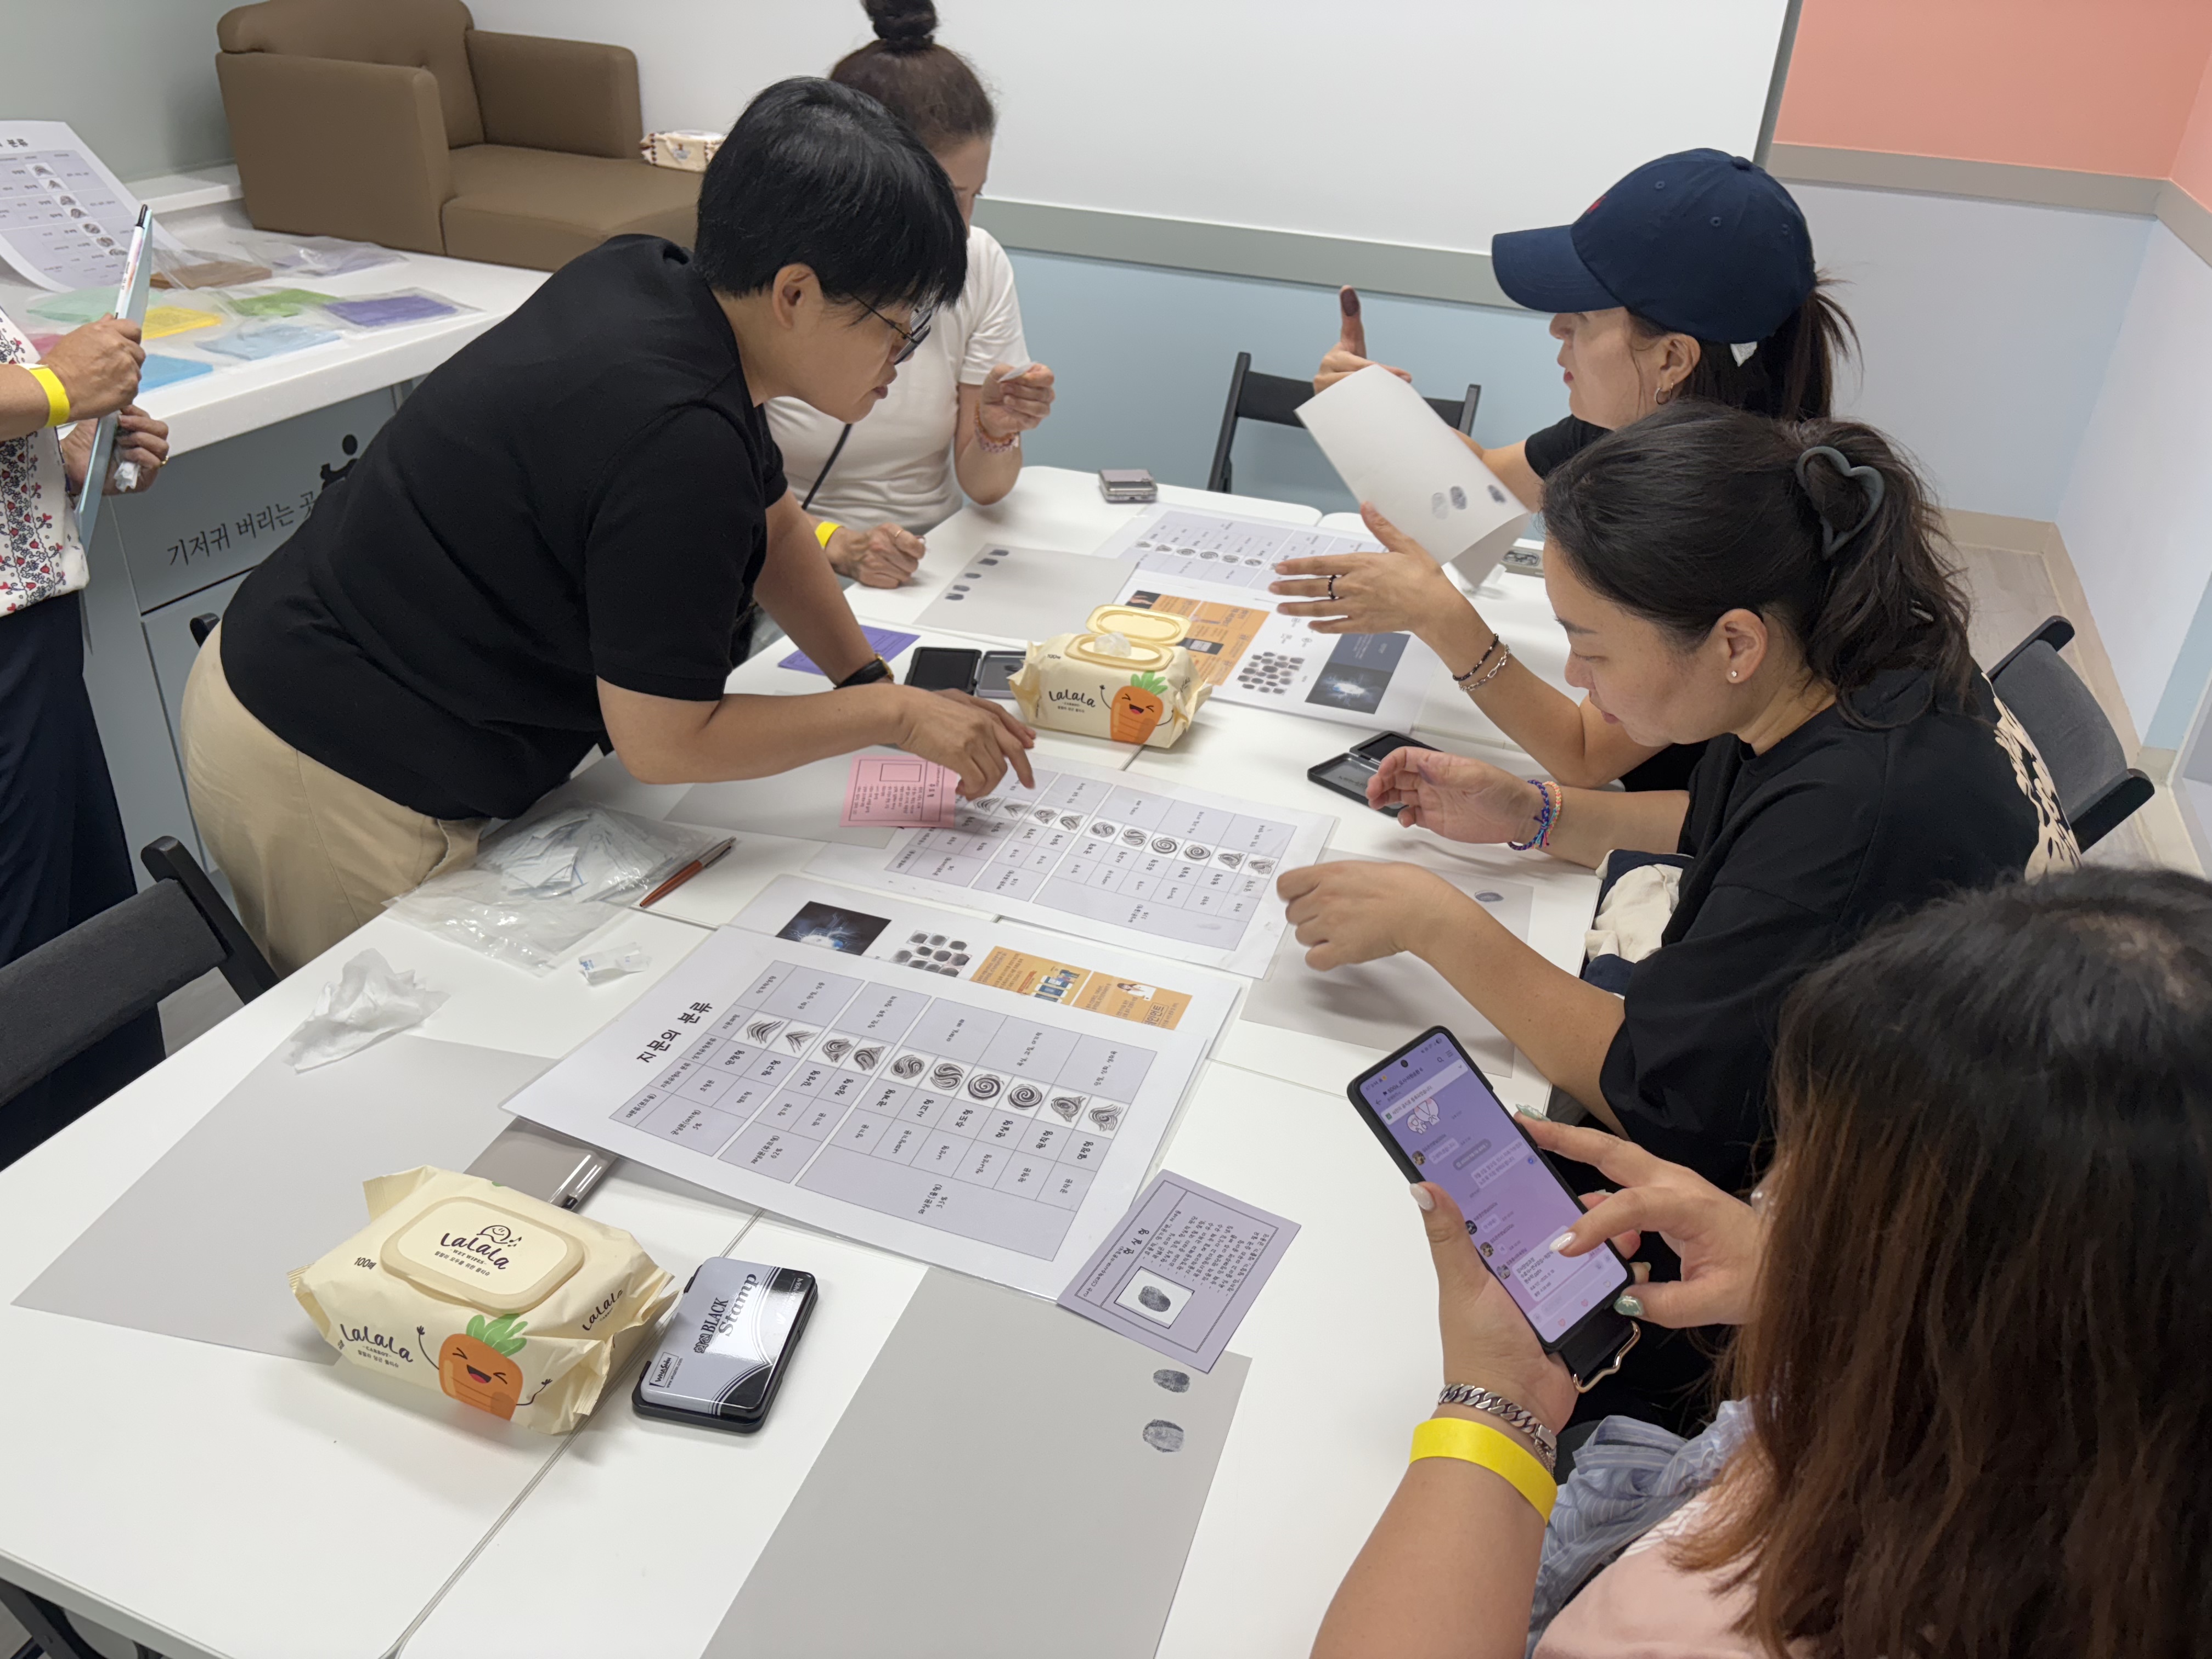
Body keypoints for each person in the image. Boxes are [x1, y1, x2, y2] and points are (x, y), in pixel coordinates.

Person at [183, 77, 1035, 978]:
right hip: (328, 756)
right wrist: (891, 712)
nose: (900, 362)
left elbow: (775, 524)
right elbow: (665, 742)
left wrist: (866, 682)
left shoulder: (662, 284)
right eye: (896, 330)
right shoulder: (678, 438)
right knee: (399, 1029)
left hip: (347, 670)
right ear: (794, 292)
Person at [1310, 865, 2212, 1659]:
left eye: (1813, 1174)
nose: (1770, 1191)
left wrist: (1496, 1401)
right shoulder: (2106, 1495)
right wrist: (1811, 1283)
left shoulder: (1714, 1627)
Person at [1278, 403, 2076, 1201]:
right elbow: (1732, 833)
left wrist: (1435, 922)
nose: (1575, 678)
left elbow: (1663, 1101)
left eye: (1590, 648)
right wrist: (1536, 813)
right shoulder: (1849, 648)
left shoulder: (1850, 811)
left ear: (1734, 644)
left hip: (1914, 1191)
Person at [1280, 151, 1855, 792]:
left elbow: (1584, 755)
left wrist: (1440, 617)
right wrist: (1365, 407)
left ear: (1672, 359)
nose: (1556, 328)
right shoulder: (1628, 433)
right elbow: (1480, 485)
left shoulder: (1727, 519)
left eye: (1581, 317)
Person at [767, 0, 1057, 590]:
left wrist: (995, 430)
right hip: (787, 557)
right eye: (947, 196)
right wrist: (835, 544)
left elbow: (987, 488)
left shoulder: (979, 262)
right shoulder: (778, 277)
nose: (962, 226)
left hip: (928, 560)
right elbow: (718, 488)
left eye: (975, 196)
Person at [1, 307, 171, 1165]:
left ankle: (121, 1183)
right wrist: (54, 386)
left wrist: (55, 461)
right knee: (22, 978)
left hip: (30, 619)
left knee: (83, 946)